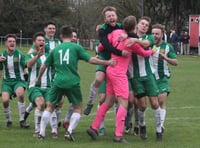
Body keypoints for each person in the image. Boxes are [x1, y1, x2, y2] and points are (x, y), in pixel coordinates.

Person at [36, 25, 116, 141]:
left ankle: (41, 133)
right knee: (77, 107)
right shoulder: (76, 47)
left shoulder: (56, 49)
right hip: (72, 82)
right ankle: (69, 132)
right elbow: (91, 60)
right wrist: (107, 62)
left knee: (50, 106)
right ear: (71, 36)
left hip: (58, 81)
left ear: (61, 36)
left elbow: (44, 66)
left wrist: (38, 79)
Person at [86, 15, 157, 143]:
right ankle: (118, 135)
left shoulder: (115, 32)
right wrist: (153, 50)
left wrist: (112, 50)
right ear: (135, 27)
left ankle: (93, 127)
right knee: (124, 104)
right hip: (119, 74)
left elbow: (102, 46)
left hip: (110, 70)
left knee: (108, 102)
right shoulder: (131, 42)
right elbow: (144, 53)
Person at [83, 6, 132, 115]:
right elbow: (106, 45)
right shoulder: (102, 29)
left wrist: (126, 35)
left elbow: (134, 35)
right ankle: (90, 102)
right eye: (108, 16)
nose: (111, 18)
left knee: (116, 92)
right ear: (105, 19)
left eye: (113, 15)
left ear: (116, 16)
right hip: (105, 58)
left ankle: (122, 119)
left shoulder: (121, 27)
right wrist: (120, 52)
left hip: (117, 60)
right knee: (99, 79)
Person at [125, 16, 162, 141]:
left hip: (149, 76)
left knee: (155, 103)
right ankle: (142, 125)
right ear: (137, 25)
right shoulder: (129, 36)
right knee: (142, 106)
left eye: (147, 25)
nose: (144, 26)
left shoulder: (149, 38)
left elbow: (146, 44)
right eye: (142, 24)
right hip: (136, 77)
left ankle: (158, 131)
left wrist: (135, 41)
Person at [24, 21, 62, 127]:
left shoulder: (58, 43)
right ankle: (31, 114)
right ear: (45, 29)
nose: (52, 30)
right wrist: (26, 70)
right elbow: (29, 57)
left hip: (55, 73)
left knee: (58, 100)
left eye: (53, 28)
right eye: (49, 28)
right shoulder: (39, 42)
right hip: (40, 73)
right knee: (41, 100)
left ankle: (55, 123)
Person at [151, 23, 178, 133]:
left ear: (162, 34)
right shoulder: (148, 45)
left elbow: (176, 62)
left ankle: (161, 125)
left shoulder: (167, 46)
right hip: (150, 79)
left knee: (161, 101)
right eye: (152, 33)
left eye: (157, 33)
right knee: (154, 104)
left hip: (162, 78)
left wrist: (166, 58)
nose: (154, 36)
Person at [0, 34, 29, 128]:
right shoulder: (2, 56)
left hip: (18, 80)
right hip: (7, 82)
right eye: (10, 41)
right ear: (6, 43)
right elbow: (0, 71)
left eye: (14, 41)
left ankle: (22, 120)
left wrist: (26, 74)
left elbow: (25, 66)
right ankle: (9, 120)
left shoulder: (19, 54)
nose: (12, 43)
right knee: (5, 100)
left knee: (20, 94)